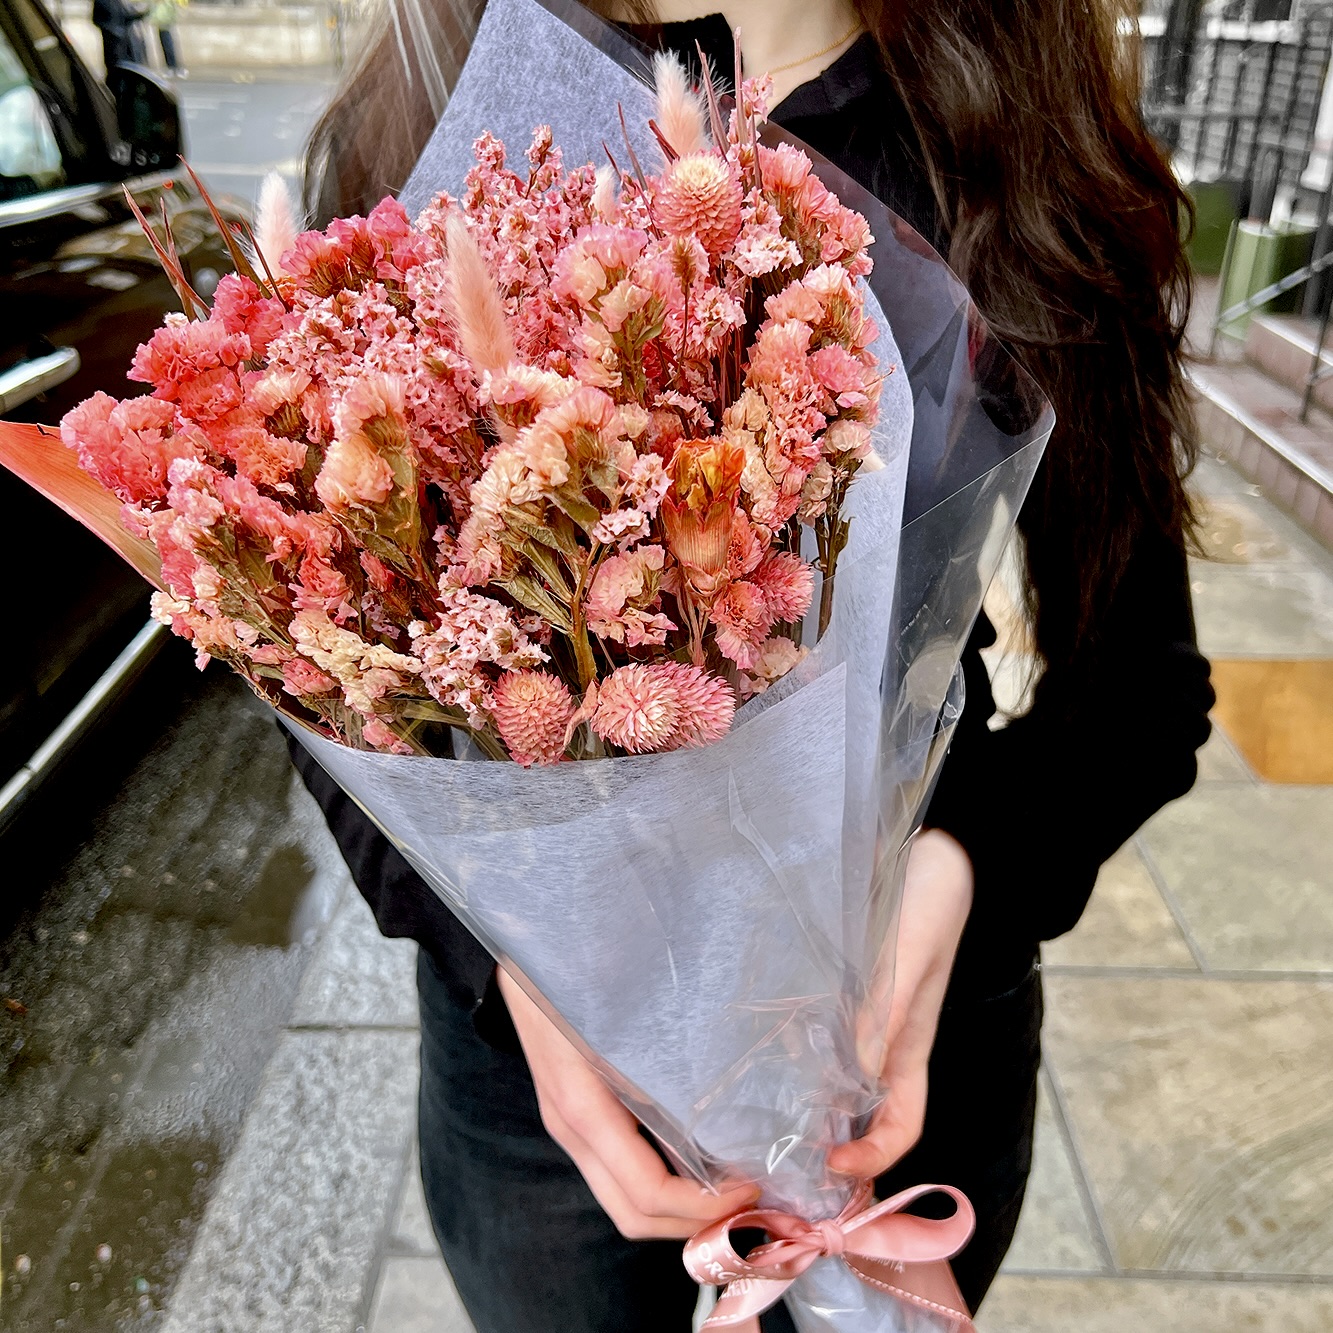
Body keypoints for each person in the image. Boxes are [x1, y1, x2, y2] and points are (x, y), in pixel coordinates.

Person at [290, 2, 1214, 1329]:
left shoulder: (1016, 147)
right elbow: (325, 662)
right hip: (553, 1120)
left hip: (900, 1059)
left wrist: (953, 872)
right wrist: (501, 957)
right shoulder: (417, 120)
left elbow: (1139, 694)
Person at [91, 0, 146, 76]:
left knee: (124, 69)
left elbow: (125, 16)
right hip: (113, 41)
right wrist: (112, 30)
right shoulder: (103, 2)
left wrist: (140, 13)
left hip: (122, 40)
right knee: (116, 69)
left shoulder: (117, 2)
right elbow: (97, 19)